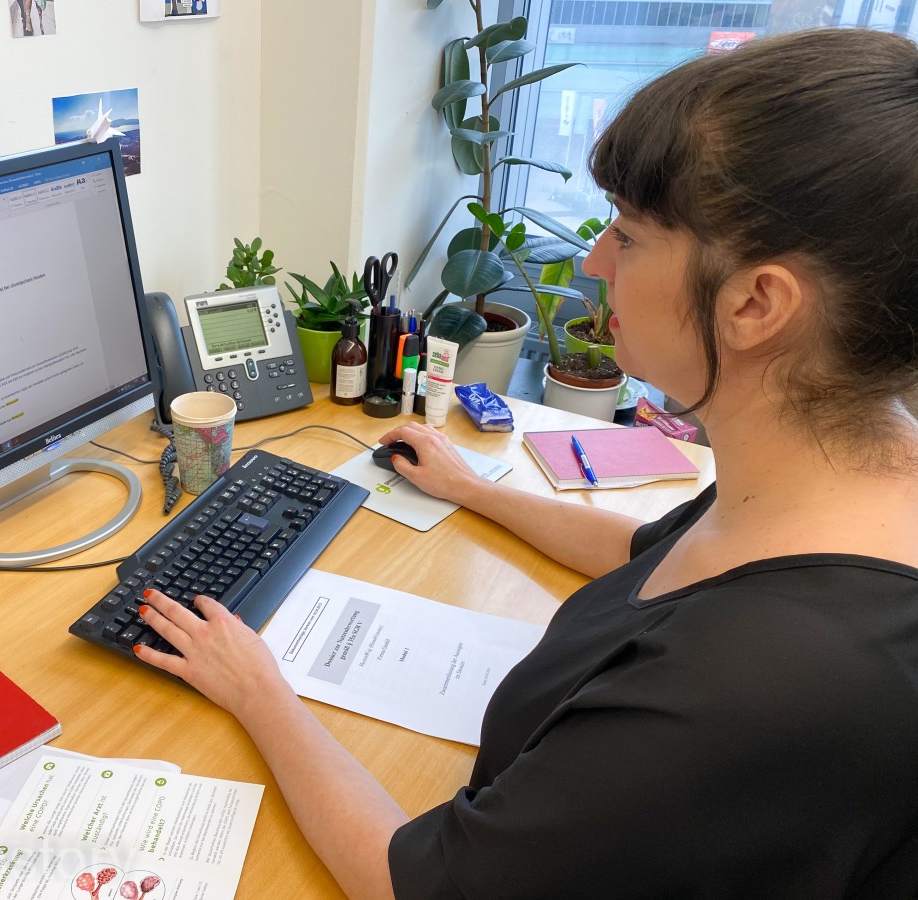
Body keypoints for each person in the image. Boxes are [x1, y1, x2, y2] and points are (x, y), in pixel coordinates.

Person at [136, 28, 918, 898]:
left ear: (756, 302)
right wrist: (471, 489)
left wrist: (259, 692)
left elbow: (417, 886)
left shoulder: (753, 685)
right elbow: (647, 555)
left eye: (628, 236)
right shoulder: (844, 473)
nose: (593, 264)